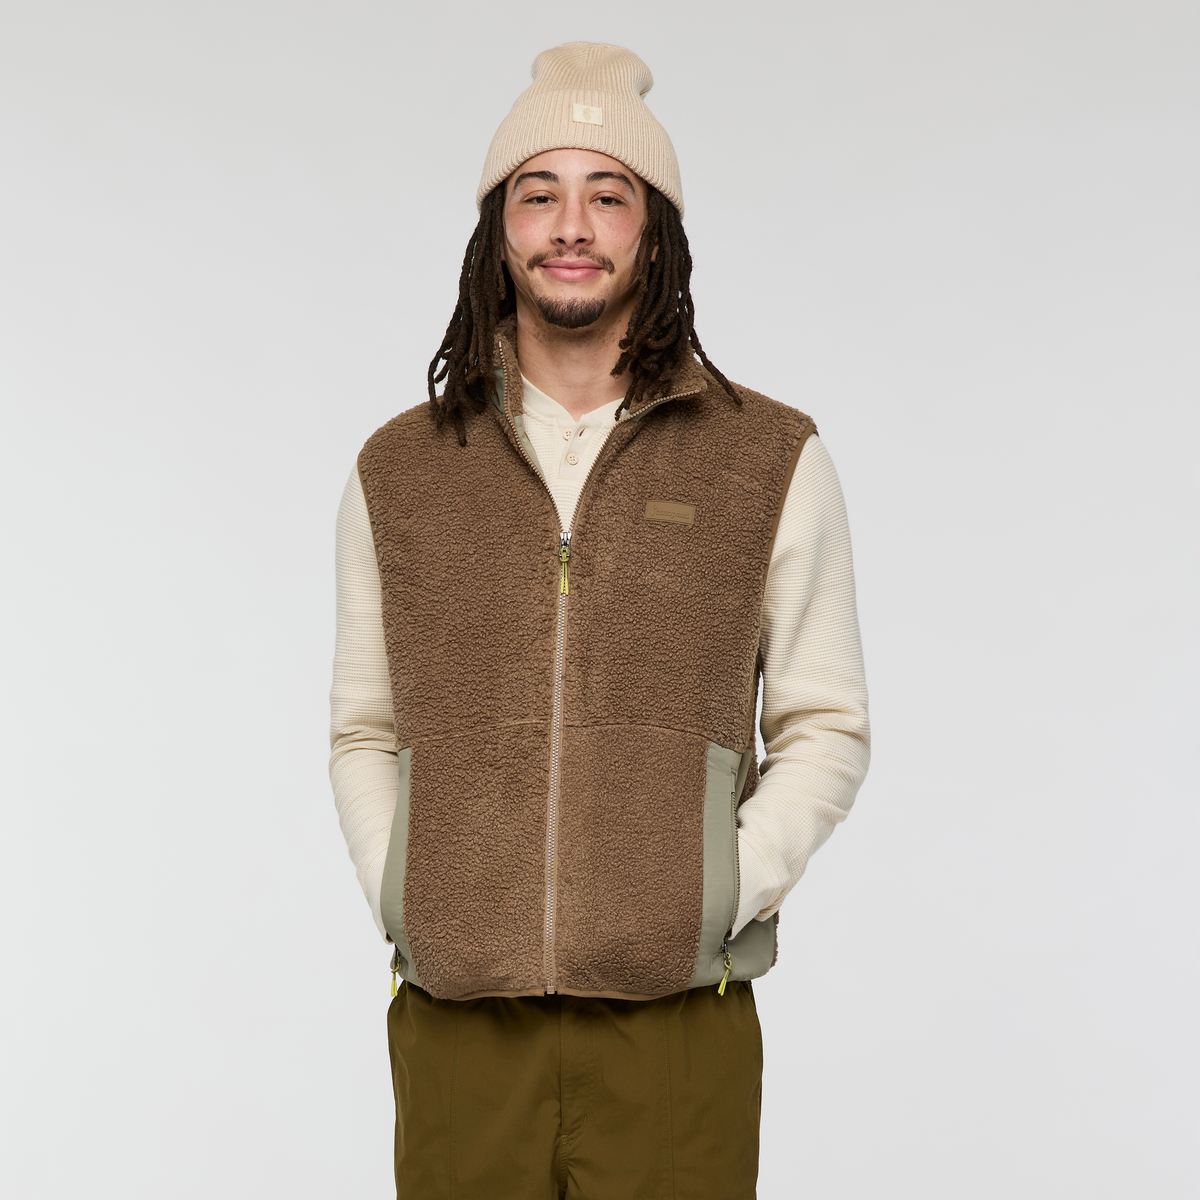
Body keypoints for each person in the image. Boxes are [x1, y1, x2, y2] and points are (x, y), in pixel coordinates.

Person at [330, 41, 870, 1200]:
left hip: (677, 1027)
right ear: (498, 232)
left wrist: (720, 892)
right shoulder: (401, 470)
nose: (571, 226)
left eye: (607, 195)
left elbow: (826, 724)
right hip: (460, 1027)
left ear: (654, 233)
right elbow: (365, 728)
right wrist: (404, 893)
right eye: (539, 194)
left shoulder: (768, 457)